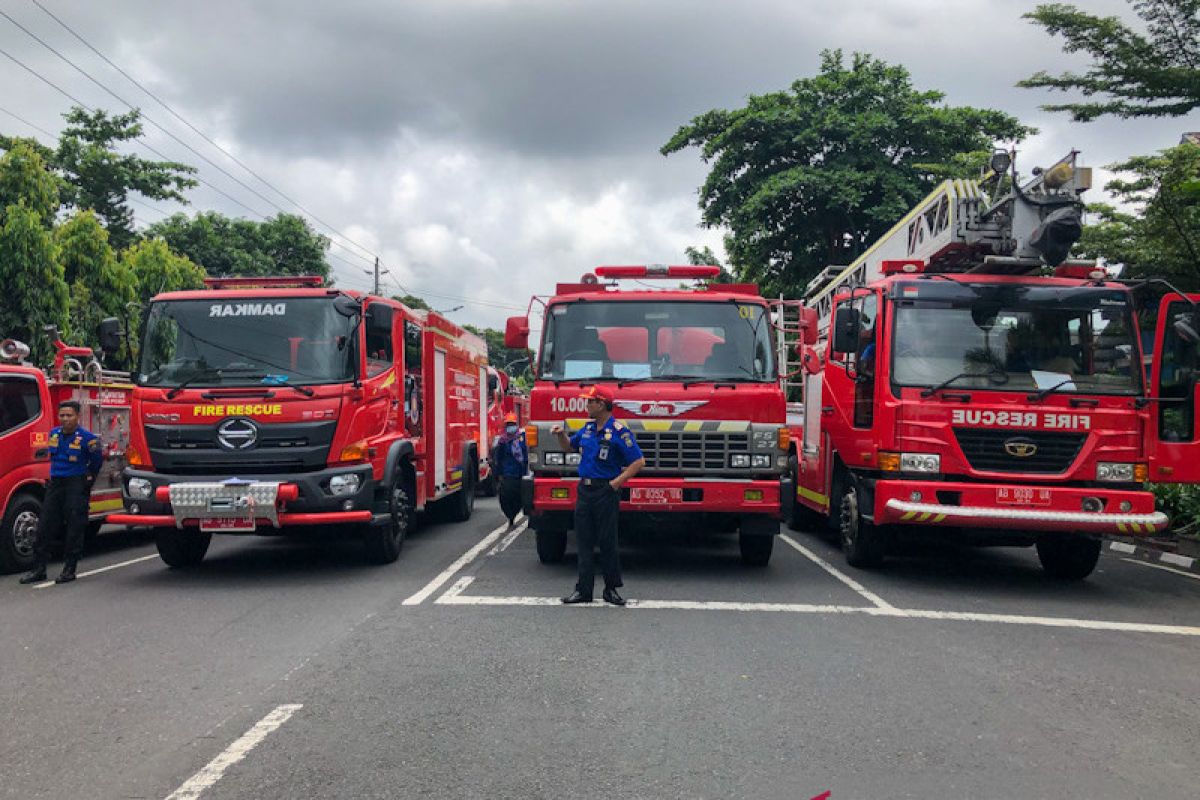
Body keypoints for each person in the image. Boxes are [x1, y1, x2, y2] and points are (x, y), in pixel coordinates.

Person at [551, 385, 645, 606]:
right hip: (585, 490)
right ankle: (583, 590)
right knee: (584, 540)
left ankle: (611, 589)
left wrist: (615, 483)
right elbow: (568, 448)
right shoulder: (587, 429)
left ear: (601, 404)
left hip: (605, 491)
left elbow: (638, 461)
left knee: (607, 541)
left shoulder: (620, 431)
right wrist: (561, 435)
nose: (587, 405)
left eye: (590, 402)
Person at [20, 400, 103, 585]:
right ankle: (39, 569)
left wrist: (87, 481)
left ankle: (69, 569)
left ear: (77, 417)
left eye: (69, 415)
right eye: (62, 415)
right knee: (44, 526)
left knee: (74, 526)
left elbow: (97, 461)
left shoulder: (88, 439)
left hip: (75, 484)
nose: (65, 419)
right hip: (56, 483)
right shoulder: (54, 434)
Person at [491, 412, 528, 527]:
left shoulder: (523, 438)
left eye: (512, 424)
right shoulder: (502, 441)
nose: (510, 426)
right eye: (508, 424)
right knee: (506, 497)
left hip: (520, 474)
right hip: (507, 474)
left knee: (519, 498)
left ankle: (514, 514)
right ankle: (510, 516)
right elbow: (498, 458)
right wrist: (498, 473)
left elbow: (527, 455)